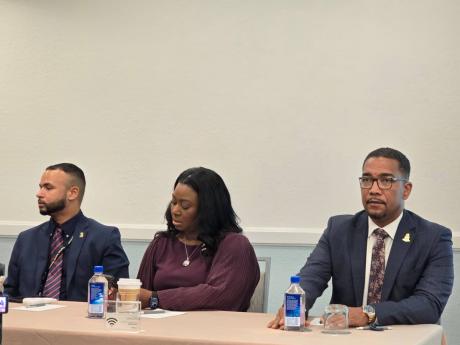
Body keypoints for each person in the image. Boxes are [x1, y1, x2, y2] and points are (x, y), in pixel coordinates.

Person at [268, 147, 454, 328]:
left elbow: (429, 304)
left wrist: (367, 314)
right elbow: (311, 277)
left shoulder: (433, 238)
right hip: (345, 338)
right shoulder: (339, 230)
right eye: (367, 180)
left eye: (386, 180)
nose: (373, 189)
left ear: (406, 189)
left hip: (403, 338)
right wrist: (294, 306)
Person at [137, 167, 260, 311]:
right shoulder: (161, 243)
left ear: (208, 209)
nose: (175, 211)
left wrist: (156, 298)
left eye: (185, 206)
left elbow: (221, 296)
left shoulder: (235, 245)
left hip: (213, 331)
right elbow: (139, 295)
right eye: (174, 202)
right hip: (158, 330)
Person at [4, 163, 129, 301]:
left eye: (48, 187)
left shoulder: (103, 238)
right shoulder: (26, 239)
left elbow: (118, 293)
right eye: (40, 187)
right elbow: (10, 294)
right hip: (28, 320)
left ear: (72, 193)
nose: (39, 194)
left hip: (80, 320)